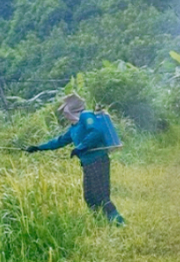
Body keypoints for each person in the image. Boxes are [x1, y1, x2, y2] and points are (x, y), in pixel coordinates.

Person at [25, 94, 125, 225]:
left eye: (65, 110)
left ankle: (119, 223)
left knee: (101, 196)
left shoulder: (86, 116)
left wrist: (80, 148)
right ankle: (101, 223)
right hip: (87, 164)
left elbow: (96, 132)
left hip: (98, 160)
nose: (64, 114)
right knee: (89, 197)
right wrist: (38, 148)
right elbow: (59, 141)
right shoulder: (74, 127)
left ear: (70, 110)